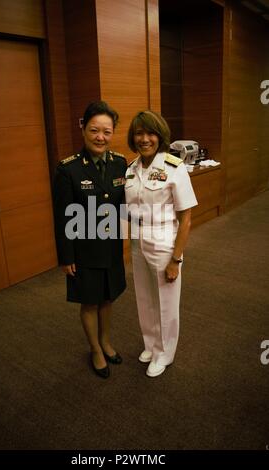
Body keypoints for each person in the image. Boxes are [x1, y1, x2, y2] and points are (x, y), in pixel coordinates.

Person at [53, 101, 127, 379]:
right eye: (95, 130)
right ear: (82, 127)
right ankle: (95, 349)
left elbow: (122, 205)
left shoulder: (120, 163)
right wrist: (66, 256)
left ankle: (106, 341)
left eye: (107, 132)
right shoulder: (68, 170)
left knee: (108, 298)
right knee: (90, 302)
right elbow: (61, 217)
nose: (100, 137)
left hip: (110, 247)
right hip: (83, 250)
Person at [125, 110, 198, 377]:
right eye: (139, 133)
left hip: (165, 241)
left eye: (150, 133)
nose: (145, 139)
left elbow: (186, 216)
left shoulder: (173, 168)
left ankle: (165, 354)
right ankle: (151, 344)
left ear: (160, 136)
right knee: (145, 298)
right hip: (138, 240)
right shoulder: (131, 169)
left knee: (166, 301)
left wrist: (176, 259)